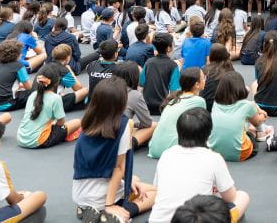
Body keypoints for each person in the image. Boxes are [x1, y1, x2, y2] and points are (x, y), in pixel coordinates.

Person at [73, 78, 157, 222]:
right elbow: (118, 168)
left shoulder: (88, 121)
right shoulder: (123, 125)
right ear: (122, 102)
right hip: (102, 196)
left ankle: (88, 208)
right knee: (156, 192)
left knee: (135, 180)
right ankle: (114, 213)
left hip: (80, 193)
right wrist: (109, 204)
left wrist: (129, 181)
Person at [149, 108, 250, 223]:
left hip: (157, 220)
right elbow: (230, 197)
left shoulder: (166, 154)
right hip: (197, 218)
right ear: (208, 133)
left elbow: (157, 189)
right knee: (242, 196)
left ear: (178, 131)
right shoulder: (214, 158)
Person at [16, 64, 82, 149]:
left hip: (21, 138)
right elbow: (60, 123)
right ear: (57, 82)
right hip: (37, 141)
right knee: (77, 122)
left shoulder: (33, 95)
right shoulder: (56, 98)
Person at [148, 67, 207, 159]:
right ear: (197, 84)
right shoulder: (199, 101)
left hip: (154, 149)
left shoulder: (172, 100)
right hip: (173, 152)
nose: (205, 79)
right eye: (203, 77)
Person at [209, 71, 267, 162]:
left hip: (214, 152)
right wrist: (263, 114)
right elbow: (258, 121)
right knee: (251, 132)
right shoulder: (246, 105)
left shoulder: (215, 103)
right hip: (241, 153)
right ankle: (254, 133)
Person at [112, 62, 157, 149]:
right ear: (134, 77)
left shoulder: (103, 88)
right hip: (116, 142)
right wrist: (136, 125)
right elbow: (147, 123)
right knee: (154, 125)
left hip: (97, 134)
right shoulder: (135, 95)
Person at [0, 39, 33, 111]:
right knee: (33, 93)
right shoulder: (18, 66)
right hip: (5, 104)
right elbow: (28, 87)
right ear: (17, 54)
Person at [142, 32, 182, 115]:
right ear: (169, 48)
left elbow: (141, 82)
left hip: (146, 106)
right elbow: (174, 91)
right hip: (162, 107)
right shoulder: (173, 65)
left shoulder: (148, 62)